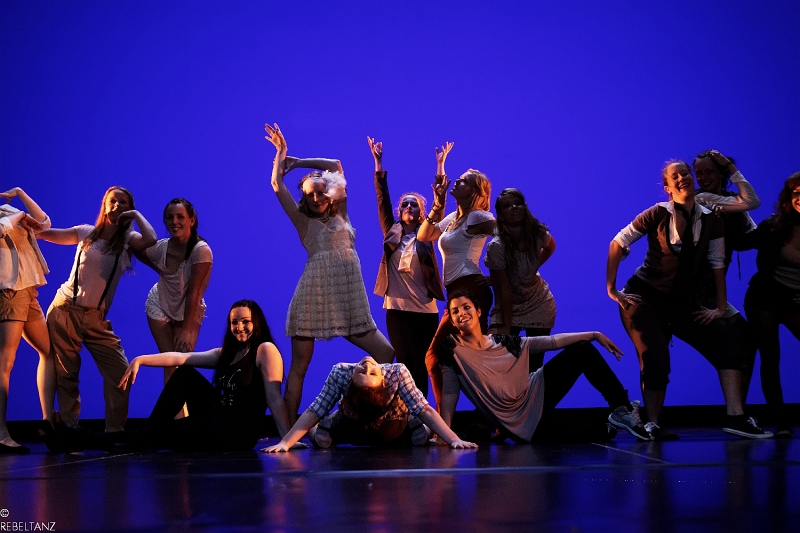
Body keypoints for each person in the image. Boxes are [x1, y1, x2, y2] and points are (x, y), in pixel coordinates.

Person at [606, 160, 771, 440]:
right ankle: (652, 424)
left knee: (729, 342)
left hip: (682, 304)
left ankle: (736, 417)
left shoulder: (711, 217)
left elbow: (717, 263)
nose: (683, 177)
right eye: (675, 176)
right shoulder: (658, 213)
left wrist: (720, 308)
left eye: (685, 173)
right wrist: (612, 289)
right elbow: (618, 243)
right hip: (645, 299)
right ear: (668, 188)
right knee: (656, 359)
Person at [265, 124, 394, 424]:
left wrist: (298, 162)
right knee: (299, 367)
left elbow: (335, 165)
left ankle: (364, 416)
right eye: (310, 194)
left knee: (386, 354)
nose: (316, 198)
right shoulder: (303, 222)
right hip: (312, 297)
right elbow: (276, 185)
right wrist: (280, 153)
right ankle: (289, 432)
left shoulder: (342, 214)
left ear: (330, 193)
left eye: (320, 192)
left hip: (348, 300)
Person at [435, 289, 650, 443]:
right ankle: (609, 423)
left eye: (466, 307)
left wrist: (594, 334)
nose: (462, 313)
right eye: (455, 311)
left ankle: (621, 409)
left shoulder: (504, 342)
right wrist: (446, 434)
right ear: (452, 321)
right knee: (602, 430)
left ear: (478, 311)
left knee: (582, 349)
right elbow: (450, 392)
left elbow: (551, 341)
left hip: (536, 392)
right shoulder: (452, 350)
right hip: (520, 424)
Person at [38, 186, 157, 432]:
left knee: (120, 371)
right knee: (67, 373)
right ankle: (70, 428)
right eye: (112, 201)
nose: (117, 205)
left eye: (123, 202)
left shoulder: (127, 241)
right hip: (66, 310)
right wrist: (31, 229)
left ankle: (114, 431)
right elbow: (50, 234)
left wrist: (135, 215)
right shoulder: (86, 233)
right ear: (104, 206)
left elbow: (151, 239)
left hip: (96, 317)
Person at [118, 300, 294, 451]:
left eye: (245, 321)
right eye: (234, 322)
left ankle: (133, 437)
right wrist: (140, 360)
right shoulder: (226, 354)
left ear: (257, 323)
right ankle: (127, 436)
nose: (239, 327)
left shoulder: (265, 350)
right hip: (217, 419)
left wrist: (287, 440)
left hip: (237, 432)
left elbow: (275, 399)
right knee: (185, 374)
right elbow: (180, 358)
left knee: (156, 434)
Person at [416, 142, 496, 407]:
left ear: (474, 192)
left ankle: (446, 420)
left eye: (464, 181)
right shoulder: (453, 217)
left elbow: (506, 235)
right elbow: (424, 235)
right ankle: (468, 417)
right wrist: (437, 203)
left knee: (435, 355)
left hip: (471, 288)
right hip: (456, 292)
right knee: (467, 358)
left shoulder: (477, 217)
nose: (457, 182)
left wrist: (496, 276)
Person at [261, 355, 477, 451]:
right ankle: (323, 430)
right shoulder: (343, 373)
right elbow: (314, 411)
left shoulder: (395, 373)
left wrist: (453, 439)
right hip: (352, 425)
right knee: (319, 434)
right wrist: (286, 443)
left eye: (368, 372)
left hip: (391, 424)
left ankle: (414, 429)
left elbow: (424, 409)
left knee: (420, 426)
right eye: (367, 371)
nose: (367, 365)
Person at [368, 137, 444, 395]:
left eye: (414, 204)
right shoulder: (391, 230)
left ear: (422, 212)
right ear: (399, 212)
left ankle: (420, 412)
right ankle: (403, 408)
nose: (409, 206)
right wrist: (378, 164)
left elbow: (439, 207)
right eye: (405, 204)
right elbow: (382, 199)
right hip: (397, 309)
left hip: (425, 309)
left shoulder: (427, 234)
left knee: (423, 362)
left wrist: (440, 167)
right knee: (405, 360)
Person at [693, 150, 761, 402]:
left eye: (709, 172)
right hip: (697, 289)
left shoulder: (731, 201)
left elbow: (751, 237)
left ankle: (738, 407)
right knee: (736, 340)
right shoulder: (701, 198)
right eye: (699, 173)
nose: (703, 178)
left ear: (721, 173)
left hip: (711, 290)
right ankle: (736, 408)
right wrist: (732, 168)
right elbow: (752, 201)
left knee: (746, 339)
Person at [740, 172, 800, 437]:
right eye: (796, 193)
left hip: (795, 299)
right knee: (770, 356)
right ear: (788, 197)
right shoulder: (775, 225)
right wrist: (725, 209)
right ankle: (782, 421)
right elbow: (742, 242)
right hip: (765, 297)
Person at [136, 198, 212, 401]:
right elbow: (136, 247)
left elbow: (194, 292)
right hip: (159, 303)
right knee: (169, 364)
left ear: (192, 220)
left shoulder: (200, 250)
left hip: (189, 307)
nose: (174, 222)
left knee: (182, 364)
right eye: (170, 217)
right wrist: (133, 215)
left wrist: (187, 329)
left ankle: (186, 414)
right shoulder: (161, 247)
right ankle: (175, 417)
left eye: (180, 217)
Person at [0, 188, 55, 453]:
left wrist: (21, 195)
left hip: (28, 290)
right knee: (5, 362)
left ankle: (48, 422)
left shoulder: (9, 210)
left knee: (49, 351)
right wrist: (20, 216)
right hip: (10, 292)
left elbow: (44, 223)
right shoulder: (9, 216)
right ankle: (1, 433)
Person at [485, 188, 557, 371]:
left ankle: (534, 391)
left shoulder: (538, 234)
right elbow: (505, 289)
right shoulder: (497, 246)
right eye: (507, 206)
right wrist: (506, 326)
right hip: (508, 305)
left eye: (518, 203)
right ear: (501, 216)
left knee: (534, 366)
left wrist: (532, 267)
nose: (514, 207)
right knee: (503, 361)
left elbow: (551, 246)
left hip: (538, 302)